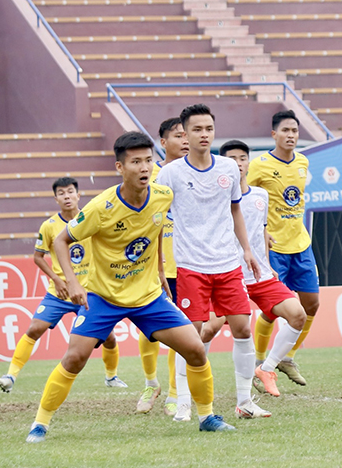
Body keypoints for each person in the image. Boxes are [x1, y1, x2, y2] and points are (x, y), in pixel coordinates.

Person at [26, 131, 232, 443]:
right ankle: (40, 424)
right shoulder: (101, 207)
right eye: (136, 161)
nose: (144, 167)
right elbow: (60, 240)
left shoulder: (162, 196)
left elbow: (159, 227)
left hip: (148, 297)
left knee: (194, 349)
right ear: (121, 168)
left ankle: (207, 417)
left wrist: (161, 269)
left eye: (148, 160)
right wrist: (72, 283)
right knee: (75, 358)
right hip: (103, 297)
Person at [154, 104, 269, 421]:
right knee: (190, 336)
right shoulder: (171, 174)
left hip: (228, 264)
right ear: (185, 134)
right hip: (191, 265)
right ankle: (183, 401)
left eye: (208, 129)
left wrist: (246, 249)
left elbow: (235, 211)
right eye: (196, 130)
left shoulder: (228, 169)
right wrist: (157, 264)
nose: (204, 135)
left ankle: (244, 401)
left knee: (243, 328)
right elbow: (155, 219)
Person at [0, 178, 125, 393]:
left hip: (91, 292)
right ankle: (10, 376)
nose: (66, 196)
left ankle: (111, 377)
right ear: (56, 199)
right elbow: (38, 257)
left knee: (109, 337)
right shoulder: (49, 226)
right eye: (61, 193)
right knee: (35, 328)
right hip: (60, 293)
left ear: (78, 195)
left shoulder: (91, 218)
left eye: (70, 191)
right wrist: (56, 279)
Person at [201, 140, 307, 399]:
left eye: (242, 158)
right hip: (229, 275)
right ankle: (195, 378)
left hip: (259, 275)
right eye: (232, 159)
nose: (238, 163)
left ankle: (267, 369)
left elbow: (261, 231)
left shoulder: (261, 195)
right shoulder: (215, 198)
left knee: (297, 315)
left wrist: (269, 265)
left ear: (249, 162)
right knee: (208, 329)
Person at [247, 110, 318, 386]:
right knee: (272, 309)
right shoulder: (259, 165)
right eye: (285, 131)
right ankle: (260, 362)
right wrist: (257, 235)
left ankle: (286, 357)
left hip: (301, 244)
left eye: (295, 131)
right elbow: (243, 200)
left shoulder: (302, 161)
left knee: (311, 304)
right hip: (273, 248)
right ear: (274, 134)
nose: (291, 136)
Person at [137, 117, 190, 415]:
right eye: (178, 135)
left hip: (184, 263)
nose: (184, 140)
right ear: (163, 141)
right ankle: (150, 382)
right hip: (151, 265)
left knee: (177, 330)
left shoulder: (193, 173)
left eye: (187, 135)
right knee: (147, 331)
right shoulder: (150, 174)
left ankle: (173, 393)